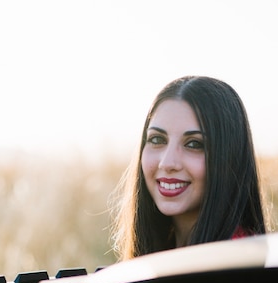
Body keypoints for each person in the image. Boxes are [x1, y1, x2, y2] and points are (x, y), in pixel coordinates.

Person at [110, 75, 269, 262]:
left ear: (229, 159)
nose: (167, 163)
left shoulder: (235, 265)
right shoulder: (160, 259)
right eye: (157, 139)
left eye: (193, 144)